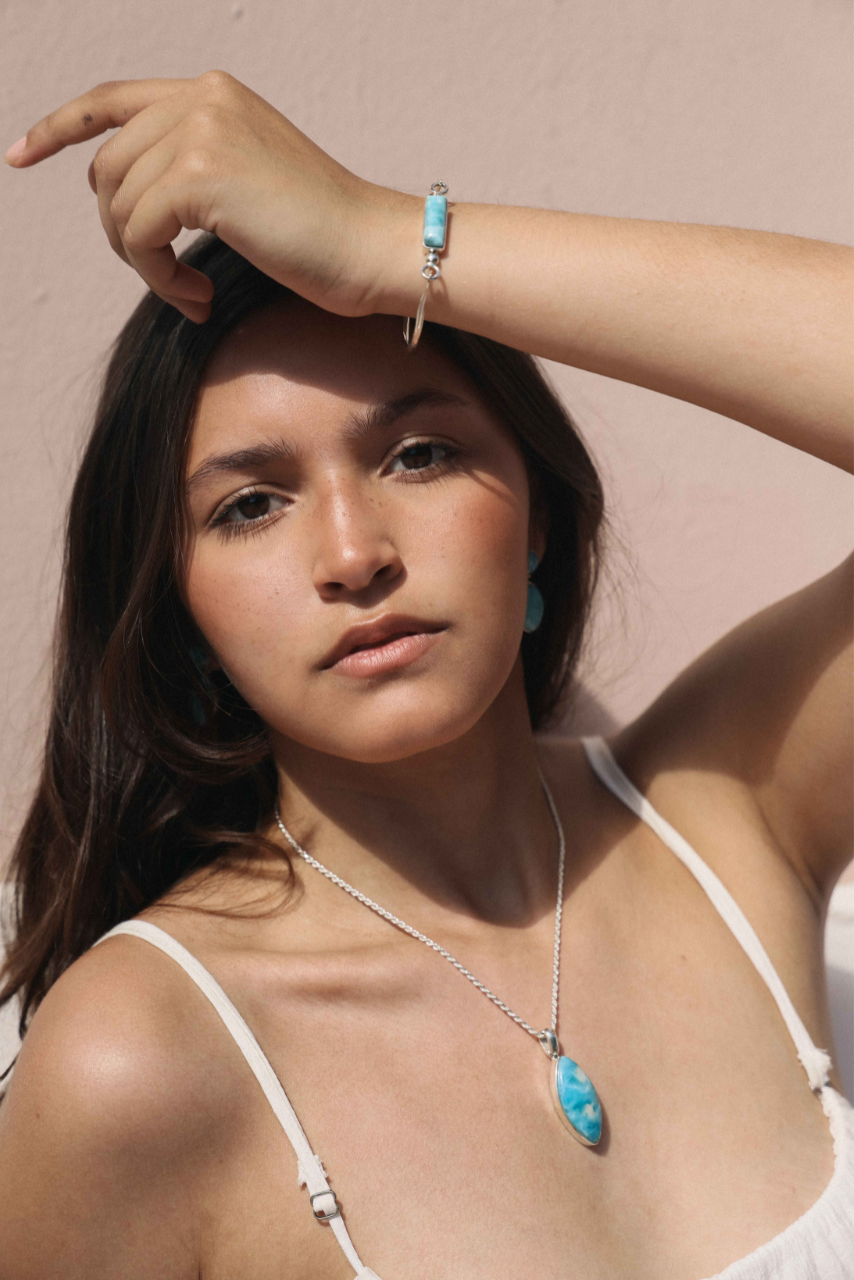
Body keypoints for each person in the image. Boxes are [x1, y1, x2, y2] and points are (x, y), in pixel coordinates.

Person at [0, 71, 851, 1280]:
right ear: (179, 613)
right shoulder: (141, 1060)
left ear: (537, 512)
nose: (354, 555)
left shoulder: (723, 818)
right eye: (249, 504)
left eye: (418, 452)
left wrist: (385, 236)